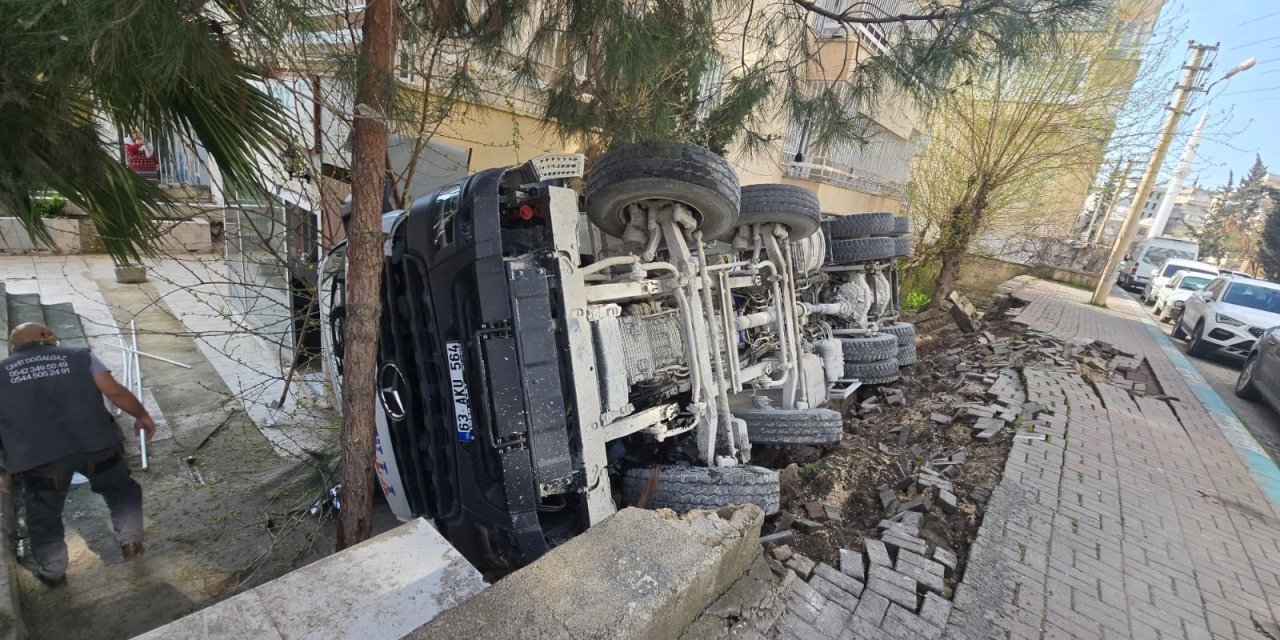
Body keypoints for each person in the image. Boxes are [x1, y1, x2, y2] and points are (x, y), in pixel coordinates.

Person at [0, 323, 156, 587]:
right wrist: (141, 415)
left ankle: (53, 572)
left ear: (14, 346)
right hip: (96, 445)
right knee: (121, 491)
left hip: (40, 458)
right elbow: (114, 390)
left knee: (43, 514)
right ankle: (131, 542)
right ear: (46, 337)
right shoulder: (79, 356)